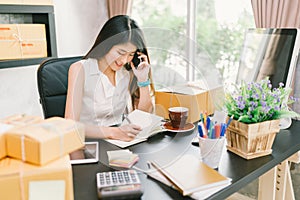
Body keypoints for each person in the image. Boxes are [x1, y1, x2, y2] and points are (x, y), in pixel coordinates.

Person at [65, 15, 155, 142]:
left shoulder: (126, 73)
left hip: (120, 141)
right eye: (120, 52)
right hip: (88, 143)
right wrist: (114, 132)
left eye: (131, 55)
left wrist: (143, 80)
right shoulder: (80, 69)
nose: (124, 60)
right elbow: (70, 125)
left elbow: (144, 116)